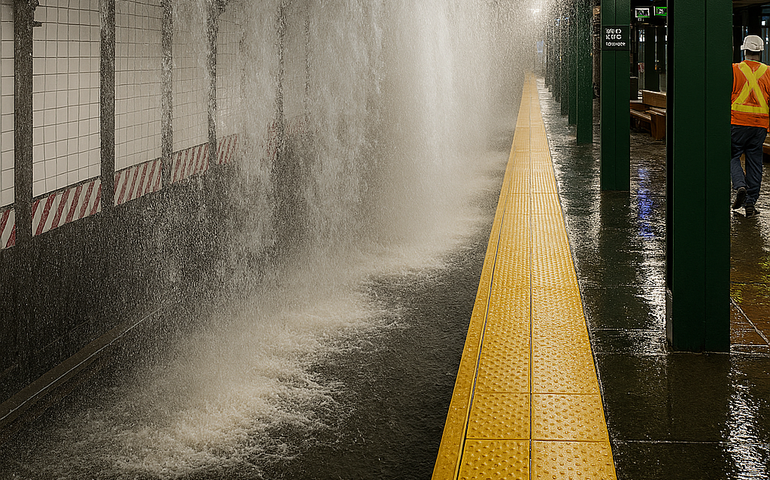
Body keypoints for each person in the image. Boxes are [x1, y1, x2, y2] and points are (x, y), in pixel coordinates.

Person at [731, 35, 770, 217]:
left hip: (736, 123)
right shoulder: (768, 72)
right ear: (760, 52)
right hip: (760, 125)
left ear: (743, 50)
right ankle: (750, 205)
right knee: (755, 164)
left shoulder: (734, 69)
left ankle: (740, 185)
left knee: (731, 156)